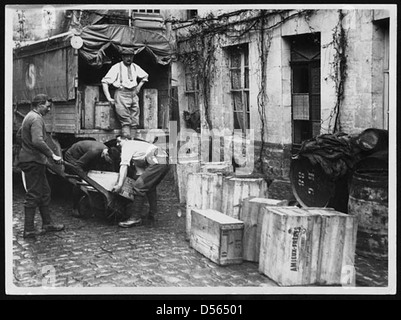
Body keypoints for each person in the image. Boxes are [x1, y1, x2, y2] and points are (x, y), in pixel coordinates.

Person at [17, 94, 65, 239]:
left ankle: (47, 224)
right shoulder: (36, 118)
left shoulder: (29, 116)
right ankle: (29, 229)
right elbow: (37, 141)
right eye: (47, 106)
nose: (49, 109)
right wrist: (52, 155)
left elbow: (19, 135)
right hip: (33, 162)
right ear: (39, 105)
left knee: (44, 192)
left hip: (32, 159)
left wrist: (27, 147)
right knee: (34, 195)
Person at [111, 135, 169, 228]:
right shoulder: (137, 147)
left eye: (119, 141)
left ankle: (135, 218)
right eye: (116, 143)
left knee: (139, 187)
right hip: (164, 160)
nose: (118, 144)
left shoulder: (127, 145)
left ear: (126, 139)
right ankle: (153, 214)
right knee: (149, 186)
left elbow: (124, 166)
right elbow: (140, 173)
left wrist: (119, 185)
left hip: (158, 160)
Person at [64, 140, 120, 217]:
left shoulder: (105, 150)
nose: (110, 163)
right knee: (78, 179)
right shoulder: (94, 151)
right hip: (72, 156)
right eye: (110, 161)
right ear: (106, 154)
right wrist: (85, 177)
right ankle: (75, 208)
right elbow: (77, 166)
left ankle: (94, 205)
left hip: (84, 154)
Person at [101, 49, 149, 138]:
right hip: (122, 94)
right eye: (127, 56)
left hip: (133, 95)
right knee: (125, 121)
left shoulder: (135, 67)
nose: (129, 58)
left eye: (131, 56)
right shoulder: (116, 67)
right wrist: (108, 97)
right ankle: (127, 143)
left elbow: (145, 76)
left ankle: (132, 141)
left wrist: (138, 87)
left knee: (134, 121)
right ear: (122, 57)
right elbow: (104, 82)